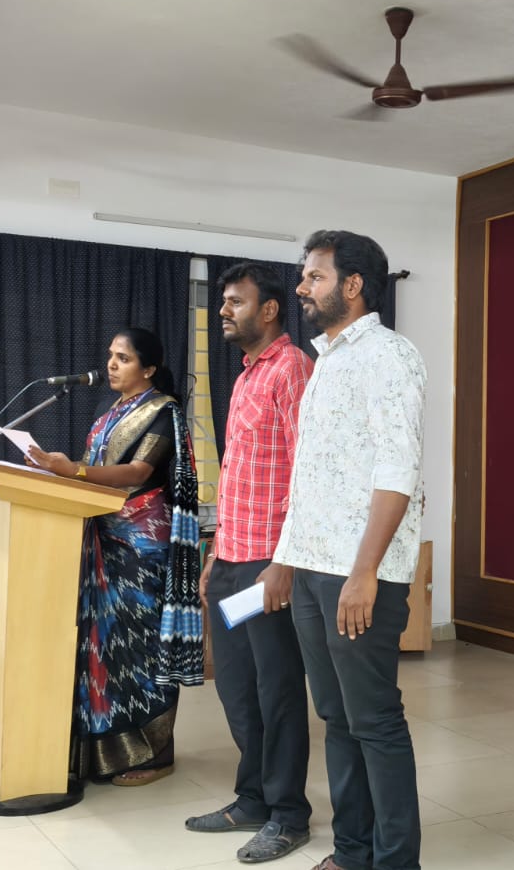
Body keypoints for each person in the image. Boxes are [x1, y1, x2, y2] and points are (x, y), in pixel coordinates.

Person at [271, 231, 426, 870]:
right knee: (336, 717)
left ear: (353, 285)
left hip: (358, 574)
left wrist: (365, 573)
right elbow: (309, 476)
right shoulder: (328, 361)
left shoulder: (390, 356)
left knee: (375, 721)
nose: (302, 287)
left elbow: (397, 470)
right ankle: (351, 852)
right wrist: (284, 559)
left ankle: (396, 862)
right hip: (313, 568)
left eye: (315, 276)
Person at [27, 327, 204, 786]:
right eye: (111, 355)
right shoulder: (109, 413)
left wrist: (75, 470)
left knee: (140, 648)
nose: (111, 364)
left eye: (123, 358)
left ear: (149, 368)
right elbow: (94, 473)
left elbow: (139, 471)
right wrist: (57, 472)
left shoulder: (163, 411)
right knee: (104, 647)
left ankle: (154, 753)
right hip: (103, 535)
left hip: (142, 546)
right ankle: (104, 754)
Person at [185, 263, 315, 863]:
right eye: (224, 302)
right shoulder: (245, 376)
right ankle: (253, 798)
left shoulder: (292, 369)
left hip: (269, 563)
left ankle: (289, 815)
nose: (224, 311)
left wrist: (284, 563)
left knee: (278, 690)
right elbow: (238, 476)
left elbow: (305, 474)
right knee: (238, 689)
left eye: (235, 301)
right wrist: (215, 557)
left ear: (268, 309)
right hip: (234, 561)